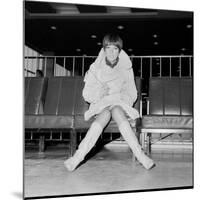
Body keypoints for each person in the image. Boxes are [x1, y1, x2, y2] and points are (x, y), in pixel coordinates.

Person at [64, 33, 155, 171]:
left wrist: (120, 98)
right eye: (108, 48)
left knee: (116, 110)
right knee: (106, 113)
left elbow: (132, 93)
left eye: (115, 49)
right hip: (101, 105)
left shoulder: (126, 68)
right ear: (104, 49)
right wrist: (99, 93)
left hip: (120, 104)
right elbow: (86, 93)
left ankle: (140, 155)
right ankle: (78, 157)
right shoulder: (95, 68)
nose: (111, 52)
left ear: (120, 50)